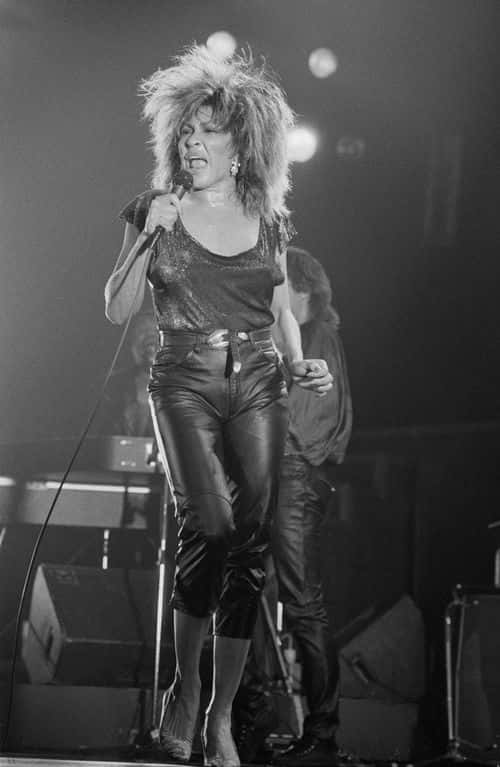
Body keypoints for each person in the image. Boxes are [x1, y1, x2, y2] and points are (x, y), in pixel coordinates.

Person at [104, 45, 333, 767]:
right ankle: (184, 683)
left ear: (243, 148)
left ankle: (220, 717)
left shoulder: (269, 220)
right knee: (209, 521)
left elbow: (277, 304)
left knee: (254, 539)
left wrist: (301, 361)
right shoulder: (154, 211)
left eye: (207, 132)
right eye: (186, 132)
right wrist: (149, 230)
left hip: (260, 377)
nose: (192, 142)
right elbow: (116, 310)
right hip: (184, 378)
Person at [233, 246, 353, 766]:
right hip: (284, 476)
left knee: (303, 603)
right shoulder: (302, 342)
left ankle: (322, 734)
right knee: (246, 591)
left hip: (295, 478)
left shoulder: (318, 340)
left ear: (297, 289)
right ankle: (252, 720)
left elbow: (309, 430)